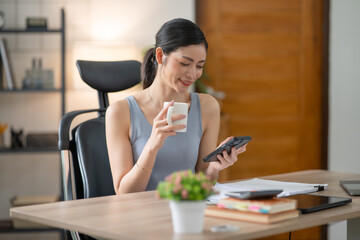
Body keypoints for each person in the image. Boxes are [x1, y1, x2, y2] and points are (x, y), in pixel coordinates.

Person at [106, 18, 247, 194]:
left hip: (186, 208)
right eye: (184, 63)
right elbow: (124, 193)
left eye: (199, 66)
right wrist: (153, 145)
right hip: (141, 215)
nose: (192, 74)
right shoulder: (120, 112)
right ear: (160, 56)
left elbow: (204, 181)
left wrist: (214, 168)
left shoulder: (207, 106)